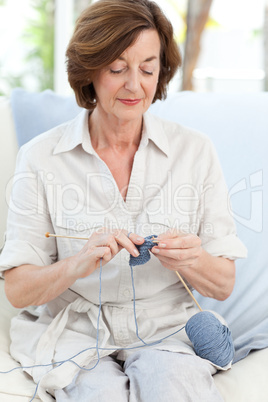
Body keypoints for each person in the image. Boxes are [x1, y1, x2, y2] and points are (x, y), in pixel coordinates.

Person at [0, 0, 247, 401]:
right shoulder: (41, 157)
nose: (135, 84)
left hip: (167, 329)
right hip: (73, 331)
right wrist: (77, 263)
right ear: (89, 71)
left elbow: (222, 283)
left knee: (172, 388)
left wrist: (192, 259)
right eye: (117, 68)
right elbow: (17, 289)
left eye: (148, 68)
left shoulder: (195, 152)